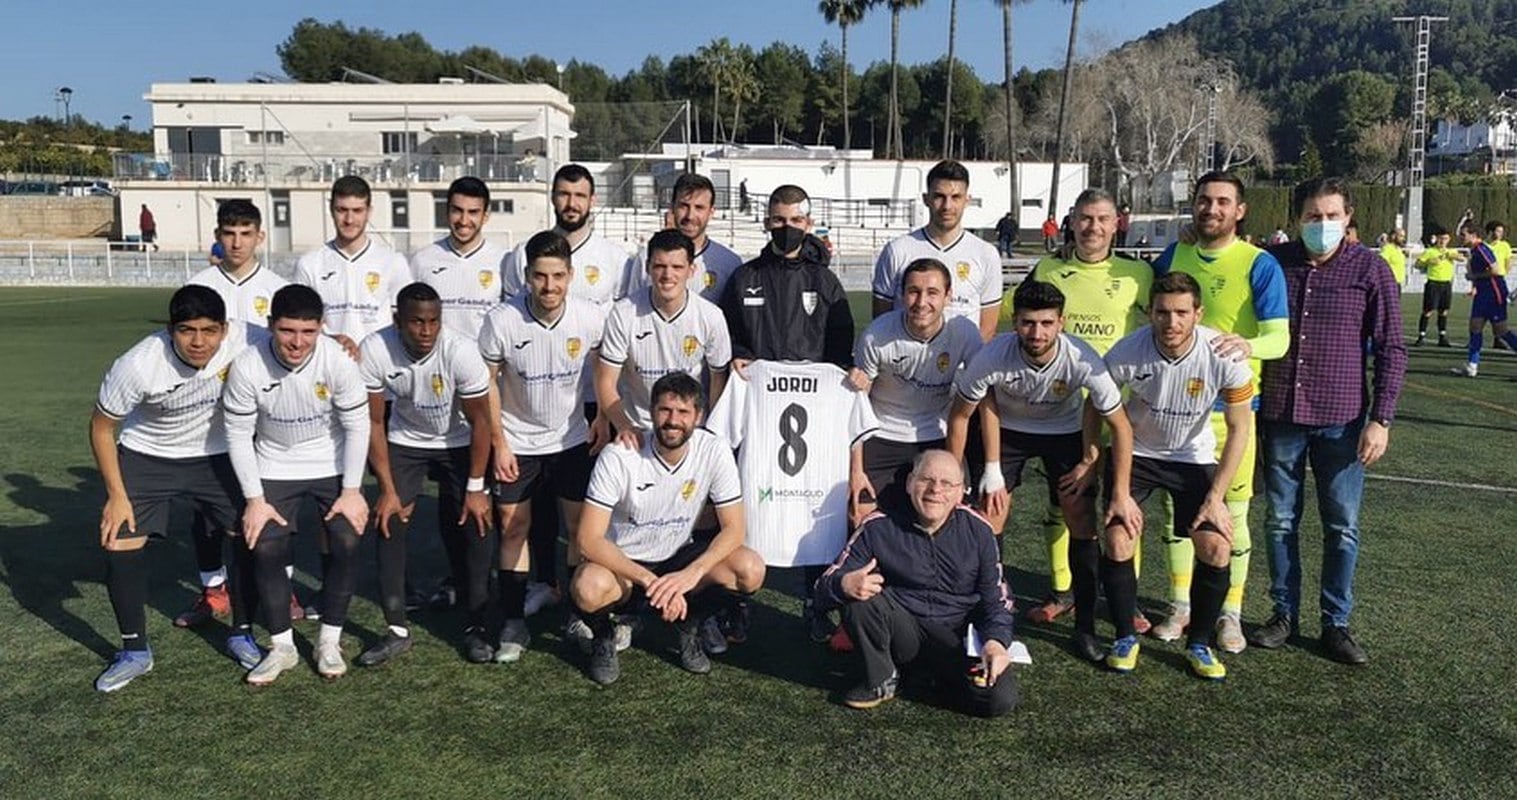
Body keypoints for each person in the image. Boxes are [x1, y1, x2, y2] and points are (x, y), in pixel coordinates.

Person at [1252, 178, 1407, 665]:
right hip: (1281, 416)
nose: (1322, 225)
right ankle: (1282, 615)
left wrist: (1380, 418)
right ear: (1298, 218)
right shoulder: (1274, 264)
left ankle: (1335, 623)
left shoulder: (1370, 269)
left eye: (1331, 216)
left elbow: (1391, 348)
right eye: (1313, 216)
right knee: (1280, 522)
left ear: (1348, 217)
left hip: (1342, 420)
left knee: (1342, 525)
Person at [946, 280, 1141, 661]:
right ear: (1014, 322)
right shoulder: (993, 355)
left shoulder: (1083, 358)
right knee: (989, 516)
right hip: (1008, 435)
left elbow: (1120, 426)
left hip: (1063, 432)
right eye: (1027, 323)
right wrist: (963, 477)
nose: (1037, 333)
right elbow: (960, 416)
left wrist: (1101, 473)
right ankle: (988, 620)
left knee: (1081, 517)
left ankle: (1084, 626)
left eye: (1046, 323)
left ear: (1062, 323)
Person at [89, 286, 266, 691]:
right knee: (119, 541)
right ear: (170, 330)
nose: (199, 341)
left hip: (218, 454)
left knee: (250, 535)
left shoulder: (248, 338)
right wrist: (117, 496)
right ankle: (134, 652)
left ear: (225, 329)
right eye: (187, 331)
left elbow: (296, 341)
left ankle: (241, 632)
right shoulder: (137, 365)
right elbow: (101, 427)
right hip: (149, 454)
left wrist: (341, 344)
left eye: (209, 330)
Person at [1150, 170, 1288, 652]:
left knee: (1233, 514)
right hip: (1175, 410)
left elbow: (1279, 338)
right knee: (1176, 515)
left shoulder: (1259, 263)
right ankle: (1180, 605)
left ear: (1240, 210)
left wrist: (1244, 343)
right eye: (1205, 200)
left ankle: (1230, 614)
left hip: (1232, 414)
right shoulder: (1174, 254)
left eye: (1223, 202)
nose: (1212, 209)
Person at [717, 182, 857, 640]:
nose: (786, 228)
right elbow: (730, 334)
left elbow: (840, 346)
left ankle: (817, 602)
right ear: (766, 221)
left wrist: (840, 377)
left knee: (816, 504)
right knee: (746, 505)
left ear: (809, 224)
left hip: (812, 416)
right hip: (759, 412)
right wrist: (739, 354)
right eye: (778, 220)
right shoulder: (745, 276)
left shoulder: (825, 282)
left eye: (795, 221)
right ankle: (736, 601)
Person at [1100, 271, 1256, 680]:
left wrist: (1215, 497)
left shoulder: (1224, 355)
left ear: (1198, 313)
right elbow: (1098, 409)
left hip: (1192, 457)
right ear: (1150, 313)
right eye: (1163, 313)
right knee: (1118, 537)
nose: (1172, 322)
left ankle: (1200, 643)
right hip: (1136, 453)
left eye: (1182, 313)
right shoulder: (1126, 352)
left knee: (1216, 547)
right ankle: (1124, 637)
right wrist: (1115, 488)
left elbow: (1241, 428)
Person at [1011, 187, 1153, 627]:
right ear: (1071, 221)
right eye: (1085, 218)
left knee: (1123, 503)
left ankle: (1124, 597)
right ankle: (1063, 590)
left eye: (1102, 219)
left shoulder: (1138, 274)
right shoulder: (1049, 269)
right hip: (1065, 412)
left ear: (1117, 224)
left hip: (1125, 411)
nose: (1093, 227)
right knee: (1065, 500)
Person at [571, 373, 766, 685]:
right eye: (665, 410)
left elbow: (734, 529)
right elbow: (588, 540)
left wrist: (691, 575)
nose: (673, 421)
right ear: (651, 412)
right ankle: (604, 636)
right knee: (587, 586)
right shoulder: (619, 455)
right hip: (625, 566)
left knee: (750, 568)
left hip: (677, 558)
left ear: (699, 417)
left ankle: (689, 626)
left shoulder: (714, 450)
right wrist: (651, 582)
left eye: (683, 412)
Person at [222, 284, 371, 685]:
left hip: (331, 462)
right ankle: (282, 647)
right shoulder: (249, 365)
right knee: (265, 543)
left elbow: (358, 425)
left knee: (346, 537)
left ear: (322, 327)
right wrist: (254, 499)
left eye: (308, 332)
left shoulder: (338, 361)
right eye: (288, 331)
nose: (297, 342)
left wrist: (353, 491)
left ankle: (329, 641)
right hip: (274, 463)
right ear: (271, 326)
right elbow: (238, 434)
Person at [478, 230, 609, 662]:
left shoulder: (589, 318)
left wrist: (603, 417)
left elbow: (608, 370)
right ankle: (514, 621)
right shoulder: (502, 320)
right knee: (514, 529)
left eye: (557, 276)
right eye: (540, 276)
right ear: (526, 276)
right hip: (519, 443)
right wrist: (499, 442)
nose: (549, 286)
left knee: (576, 531)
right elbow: (488, 383)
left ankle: (574, 612)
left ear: (571, 276)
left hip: (571, 441)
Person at [813, 449, 1018, 716]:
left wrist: (995, 643)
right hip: (903, 633)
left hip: (956, 638)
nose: (935, 490)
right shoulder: (877, 526)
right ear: (910, 483)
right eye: (926, 480)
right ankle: (882, 677)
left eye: (947, 484)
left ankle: (930, 680)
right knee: (860, 596)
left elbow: (998, 601)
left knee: (998, 701)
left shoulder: (979, 531)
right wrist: (843, 585)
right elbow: (823, 588)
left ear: (960, 493)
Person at [356, 283, 495, 666]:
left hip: (459, 441)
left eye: (433, 321)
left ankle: (477, 625)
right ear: (397, 319)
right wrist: (385, 488)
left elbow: (481, 421)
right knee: (389, 519)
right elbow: (372, 420)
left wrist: (476, 487)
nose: (426, 331)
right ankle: (396, 629)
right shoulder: (375, 348)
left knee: (476, 521)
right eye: (416, 322)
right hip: (405, 440)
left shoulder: (461, 351)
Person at [178, 200, 292, 629]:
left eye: (246, 233)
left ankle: (281, 587)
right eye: (229, 233)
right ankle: (213, 590)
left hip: (264, 413)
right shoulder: (201, 283)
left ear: (260, 236)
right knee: (207, 511)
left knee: (272, 503)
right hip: (209, 414)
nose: (237, 242)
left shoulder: (277, 287)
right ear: (218, 235)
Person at [852, 258, 983, 516]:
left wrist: (981, 466)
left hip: (935, 434)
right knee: (861, 509)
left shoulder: (965, 333)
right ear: (902, 295)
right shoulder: (876, 336)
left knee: (949, 510)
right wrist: (855, 470)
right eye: (913, 292)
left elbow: (983, 391)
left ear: (948, 296)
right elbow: (857, 403)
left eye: (932, 293)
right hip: (881, 433)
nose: (922, 302)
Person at [597, 229, 732, 445]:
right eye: (660, 266)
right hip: (638, 431)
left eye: (677, 267)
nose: (668, 275)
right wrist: (624, 426)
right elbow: (605, 380)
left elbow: (719, 381)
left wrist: (711, 431)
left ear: (691, 270)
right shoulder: (623, 313)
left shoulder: (711, 316)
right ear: (648, 267)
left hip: (690, 431)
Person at [872, 160, 1003, 342]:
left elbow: (987, 328)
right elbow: (881, 320)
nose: (947, 206)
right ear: (927, 199)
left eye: (956, 197)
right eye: (939, 196)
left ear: (967, 201)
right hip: (906, 367)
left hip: (962, 368)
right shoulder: (897, 250)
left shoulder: (986, 254)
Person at [295, 175, 413, 350]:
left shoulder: (393, 262)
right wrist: (331, 340)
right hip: (331, 366)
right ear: (330, 209)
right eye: (342, 210)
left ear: (369, 211)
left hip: (379, 367)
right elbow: (299, 324)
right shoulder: (310, 264)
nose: (349, 220)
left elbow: (406, 322)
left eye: (357, 211)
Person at [502, 163, 633, 310]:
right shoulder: (522, 254)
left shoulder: (616, 259)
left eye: (580, 196)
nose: (571, 204)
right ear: (552, 198)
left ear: (592, 201)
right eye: (564, 194)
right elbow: (512, 314)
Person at [624, 173, 745, 304]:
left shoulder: (729, 263)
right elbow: (634, 307)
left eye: (699, 207)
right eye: (684, 206)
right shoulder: (646, 258)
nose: (690, 216)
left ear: (711, 212)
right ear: (672, 208)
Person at [411, 176, 508, 337]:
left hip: (482, 361)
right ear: (447, 211)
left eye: (473, 212)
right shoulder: (422, 260)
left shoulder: (503, 261)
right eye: (457, 210)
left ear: (485, 216)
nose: (464, 221)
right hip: (437, 361)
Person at [1453, 221, 1517, 376]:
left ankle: (1472, 364)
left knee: (1501, 331)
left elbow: (1496, 271)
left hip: (1494, 294)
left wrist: (1474, 276)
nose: (1461, 237)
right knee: (1475, 327)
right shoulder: (1473, 251)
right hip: (1483, 294)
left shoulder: (1482, 250)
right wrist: (1474, 284)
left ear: (1473, 235)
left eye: (1463, 234)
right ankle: (1472, 366)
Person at [1413, 229, 1456, 347]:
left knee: (1444, 311)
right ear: (1437, 239)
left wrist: (1452, 255)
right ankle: (1421, 336)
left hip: (1446, 284)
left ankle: (1442, 337)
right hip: (1433, 284)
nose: (1443, 241)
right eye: (1441, 238)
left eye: (1445, 239)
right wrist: (1429, 262)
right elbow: (1417, 264)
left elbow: (1462, 258)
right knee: (1428, 310)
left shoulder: (1450, 252)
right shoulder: (1430, 251)